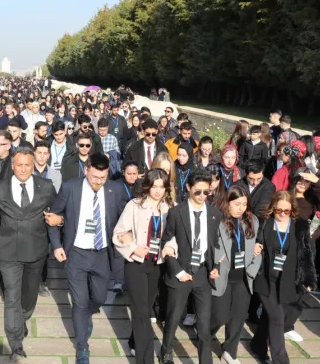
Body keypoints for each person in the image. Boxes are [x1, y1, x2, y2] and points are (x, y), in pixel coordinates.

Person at [0, 147, 58, 361]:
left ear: (33, 165)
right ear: (12, 166)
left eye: (27, 165)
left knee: (29, 296)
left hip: (36, 251)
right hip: (9, 252)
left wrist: (59, 220)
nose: (23, 169)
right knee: (12, 297)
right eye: (19, 165)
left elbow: (58, 211)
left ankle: (22, 318)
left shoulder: (46, 186)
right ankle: (15, 342)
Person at [46, 153, 121, 364]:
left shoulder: (114, 190)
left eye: (103, 177)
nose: (98, 182)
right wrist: (57, 246)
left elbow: (124, 218)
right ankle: (82, 346)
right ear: (86, 169)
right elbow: (53, 217)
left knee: (98, 298)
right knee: (79, 302)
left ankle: (88, 312)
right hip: (76, 254)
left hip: (102, 255)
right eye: (95, 177)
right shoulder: (71, 188)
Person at [159, 168, 222, 364]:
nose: (202, 196)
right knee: (173, 317)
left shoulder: (214, 214)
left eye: (206, 192)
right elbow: (166, 243)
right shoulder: (175, 213)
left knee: (204, 323)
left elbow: (215, 245)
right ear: (188, 187)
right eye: (198, 191)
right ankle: (165, 351)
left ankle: (206, 360)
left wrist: (216, 266)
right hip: (181, 272)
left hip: (202, 273)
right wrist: (178, 271)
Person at [112, 169, 173, 364]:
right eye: (154, 186)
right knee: (140, 313)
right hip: (136, 264)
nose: (157, 191)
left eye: (161, 187)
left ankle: (137, 344)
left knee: (145, 311)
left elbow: (175, 236)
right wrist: (133, 248)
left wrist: (171, 248)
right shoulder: (134, 205)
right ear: (147, 186)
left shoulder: (170, 208)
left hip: (157, 265)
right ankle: (145, 359)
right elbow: (118, 234)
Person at [250, 190, 316, 364]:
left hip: (287, 281)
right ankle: (280, 360)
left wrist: (308, 279)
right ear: (273, 208)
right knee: (277, 319)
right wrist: (254, 248)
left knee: (270, 316)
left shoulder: (299, 226)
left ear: (292, 210)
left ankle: (257, 344)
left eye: (286, 211)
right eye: (279, 210)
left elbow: (306, 254)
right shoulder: (263, 223)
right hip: (265, 278)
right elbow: (250, 242)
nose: (282, 214)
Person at [208, 185, 262, 364]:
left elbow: (258, 249)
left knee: (237, 319)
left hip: (243, 278)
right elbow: (211, 247)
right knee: (220, 316)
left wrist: (252, 271)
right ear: (227, 202)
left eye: (244, 204)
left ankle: (229, 352)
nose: (241, 208)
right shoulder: (218, 221)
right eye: (237, 204)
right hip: (223, 275)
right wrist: (215, 263)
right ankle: (205, 334)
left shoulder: (252, 221)